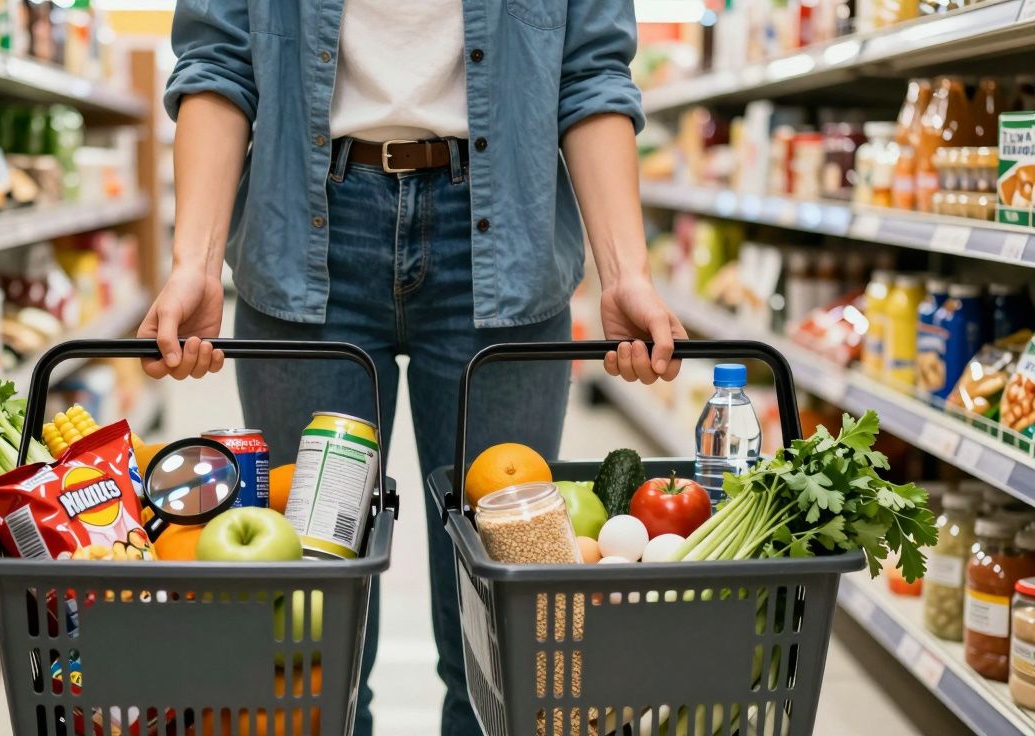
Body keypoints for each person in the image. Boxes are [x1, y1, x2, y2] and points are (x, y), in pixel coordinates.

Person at [140, 0, 685, 733]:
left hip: (504, 241)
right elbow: (219, 62)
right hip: (305, 232)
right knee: (312, 632)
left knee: (498, 625)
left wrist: (627, 272)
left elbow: (590, 75)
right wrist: (195, 263)